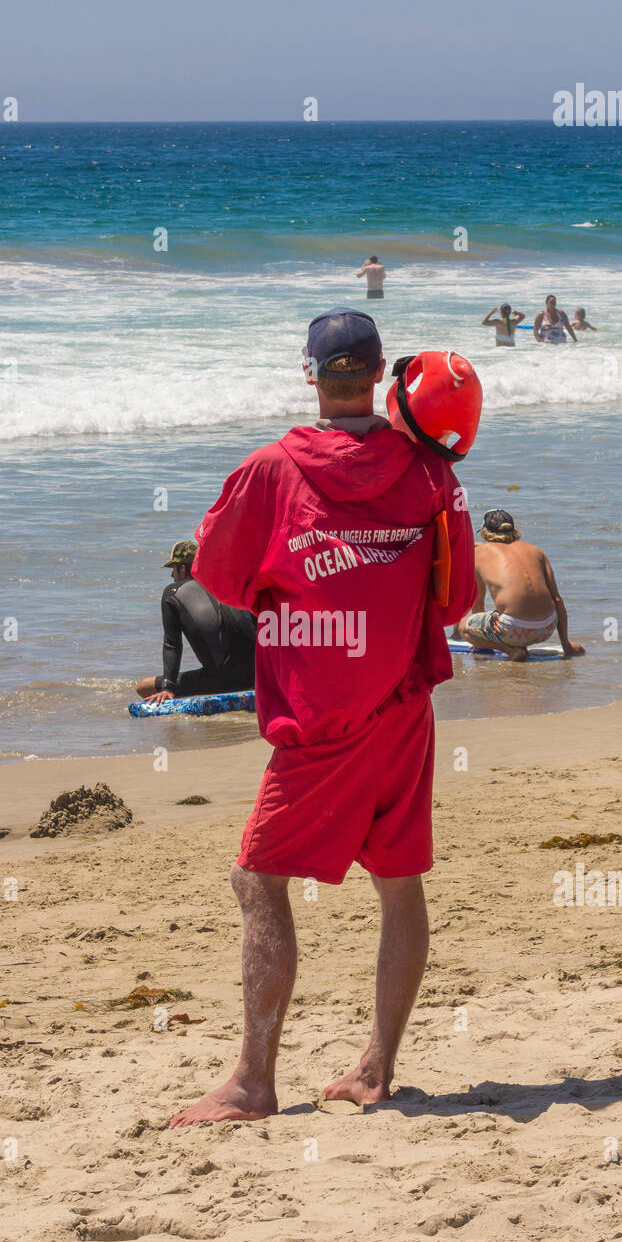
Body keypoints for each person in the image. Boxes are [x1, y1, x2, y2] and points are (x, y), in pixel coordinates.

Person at [168, 308, 479, 1127]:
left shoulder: (272, 470)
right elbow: (454, 601)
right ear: (379, 376)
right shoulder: (428, 473)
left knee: (256, 878)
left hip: (320, 717)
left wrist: (307, 577)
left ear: (310, 374)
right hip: (404, 707)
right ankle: (376, 1070)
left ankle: (252, 1083)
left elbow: (220, 579)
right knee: (399, 883)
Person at [453, 510, 584, 662]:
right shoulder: (536, 550)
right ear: (514, 531)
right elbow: (557, 600)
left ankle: (512, 650)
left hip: (513, 631)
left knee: (464, 627)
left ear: (484, 533)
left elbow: (477, 603)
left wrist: (479, 639)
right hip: (547, 628)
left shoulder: (478, 553)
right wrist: (566, 645)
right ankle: (521, 642)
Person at [135, 541, 257, 703]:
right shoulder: (232, 583)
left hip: (221, 679)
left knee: (144, 687)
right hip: (259, 675)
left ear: (183, 569)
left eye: (173, 569)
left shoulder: (173, 592)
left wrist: (167, 688)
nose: (172, 576)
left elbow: (172, 644)